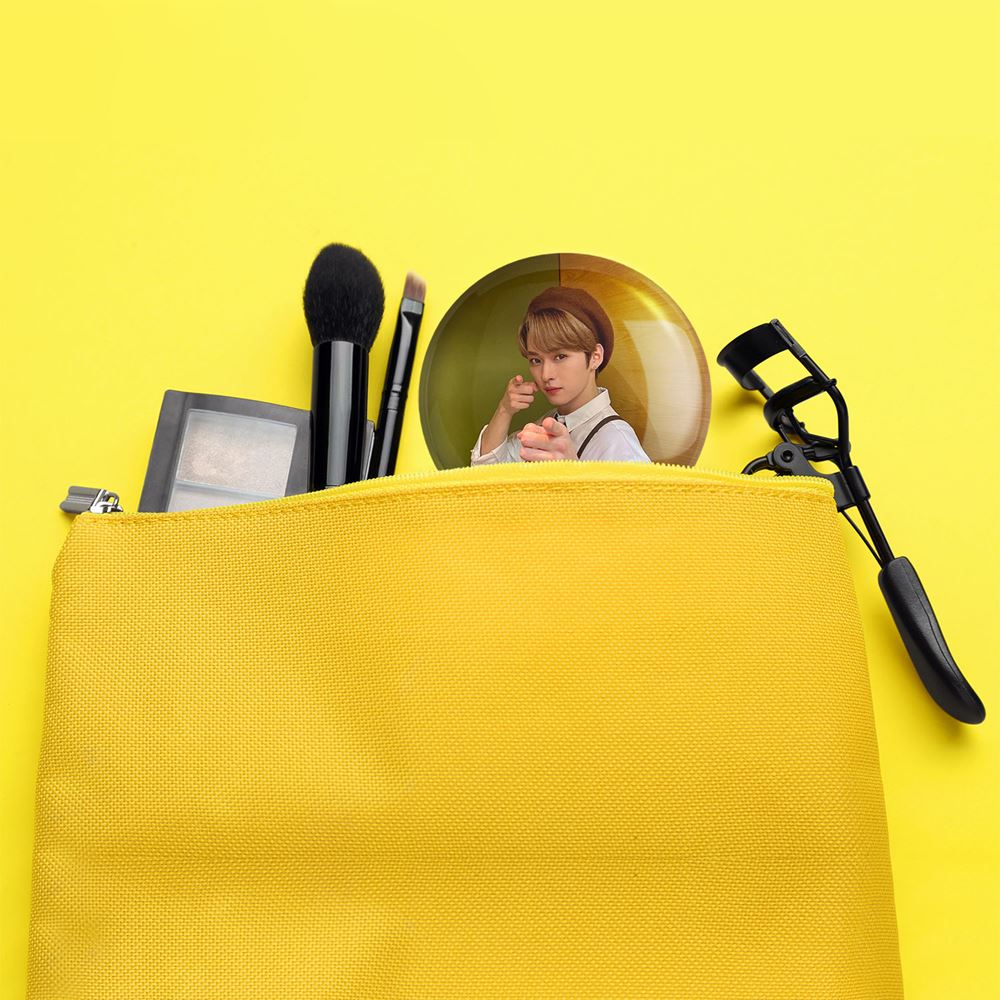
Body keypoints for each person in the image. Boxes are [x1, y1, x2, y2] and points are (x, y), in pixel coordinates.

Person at [470, 286, 651, 464]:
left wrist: (574, 472)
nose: (545, 375)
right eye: (536, 360)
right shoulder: (548, 422)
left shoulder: (617, 442)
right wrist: (504, 409)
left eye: (560, 356)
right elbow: (487, 470)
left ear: (595, 357)